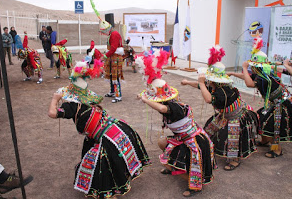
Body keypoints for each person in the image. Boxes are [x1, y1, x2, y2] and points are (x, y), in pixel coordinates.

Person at [48, 60, 150, 199]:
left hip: (104, 137)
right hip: (114, 126)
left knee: (99, 164)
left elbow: (52, 114)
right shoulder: (90, 99)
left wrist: (55, 99)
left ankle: (109, 191)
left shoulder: (71, 106)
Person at [136, 50, 213, 197]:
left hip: (193, 142)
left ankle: (195, 184)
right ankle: (176, 168)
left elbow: (162, 108)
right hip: (184, 138)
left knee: (167, 161)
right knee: (162, 143)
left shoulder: (172, 107)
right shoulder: (171, 103)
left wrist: (145, 100)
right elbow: (161, 107)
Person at [182, 46, 258, 171]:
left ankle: (235, 159)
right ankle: (206, 149)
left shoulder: (222, 92)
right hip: (225, 115)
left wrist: (201, 83)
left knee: (233, 138)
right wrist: (187, 82)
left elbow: (208, 98)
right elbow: (203, 87)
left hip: (235, 117)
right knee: (209, 130)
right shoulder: (216, 85)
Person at [230, 37, 292, 158]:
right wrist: (232, 73)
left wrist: (243, 67)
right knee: (260, 117)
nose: (250, 68)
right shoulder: (261, 73)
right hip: (276, 103)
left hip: (283, 104)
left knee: (273, 124)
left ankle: (277, 149)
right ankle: (264, 141)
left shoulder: (262, 77)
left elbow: (249, 83)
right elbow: (248, 77)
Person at [90, 0, 124, 103]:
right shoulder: (111, 34)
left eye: (104, 31)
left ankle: (118, 96)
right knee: (110, 74)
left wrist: (105, 55)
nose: (103, 34)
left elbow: (113, 48)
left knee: (115, 76)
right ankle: (112, 92)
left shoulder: (114, 34)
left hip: (115, 58)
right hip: (111, 57)